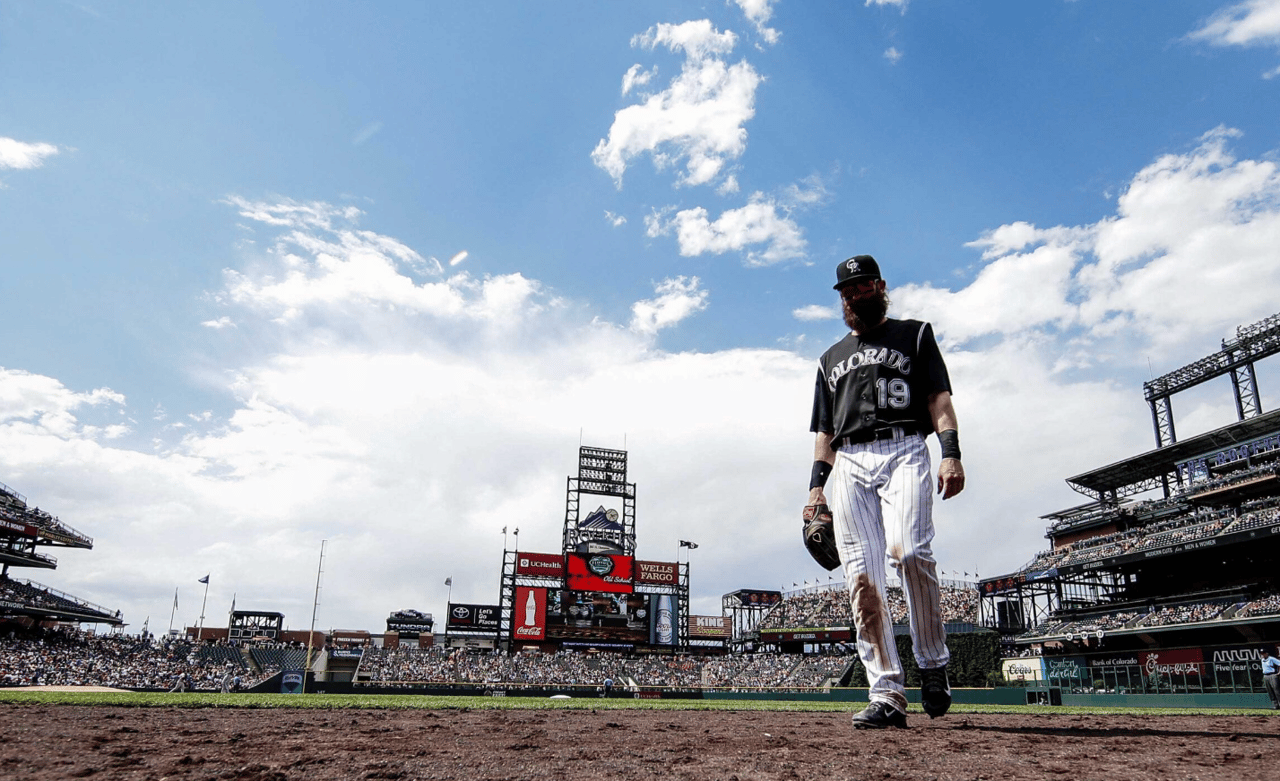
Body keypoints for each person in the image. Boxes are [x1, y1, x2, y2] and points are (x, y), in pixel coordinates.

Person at [807, 255, 966, 730]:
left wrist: (951, 452)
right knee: (861, 577)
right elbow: (824, 432)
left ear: (879, 286)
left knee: (910, 551)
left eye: (860, 286)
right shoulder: (828, 359)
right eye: (845, 291)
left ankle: (933, 663)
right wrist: (815, 489)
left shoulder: (915, 334)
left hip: (905, 448)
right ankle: (887, 693)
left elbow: (939, 400)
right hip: (851, 461)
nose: (853, 296)